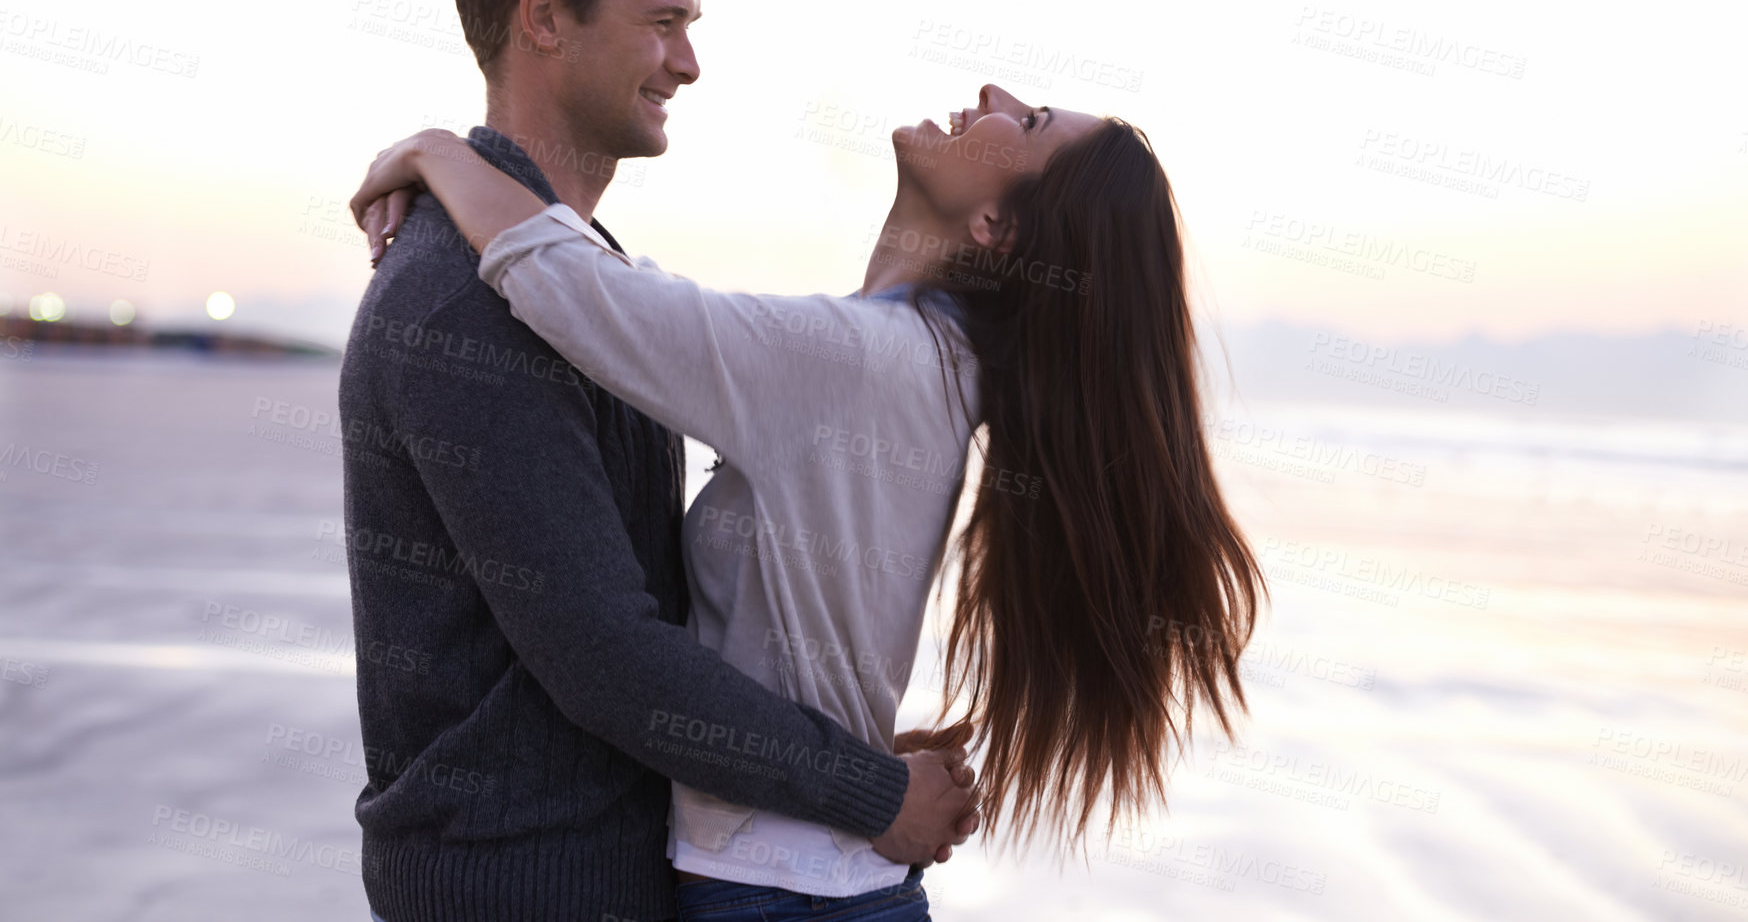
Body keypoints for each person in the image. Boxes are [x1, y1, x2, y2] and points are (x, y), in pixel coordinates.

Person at [350, 79, 1271, 920]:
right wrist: (867, 759)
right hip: (821, 882)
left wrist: (438, 150)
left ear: (995, 225)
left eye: (1026, 121)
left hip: (781, 896)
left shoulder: (855, 361)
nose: (994, 91)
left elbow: (570, 285)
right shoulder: (930, 365)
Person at [338, 0, 975, 922]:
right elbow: (603, 651)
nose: (687, 62)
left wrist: (821, 746)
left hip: (603, 868)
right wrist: (870, 794)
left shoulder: (572, 278)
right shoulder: (467, 300)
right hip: (515, 883)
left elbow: (642, 604)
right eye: (662, 23)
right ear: (543, 17)